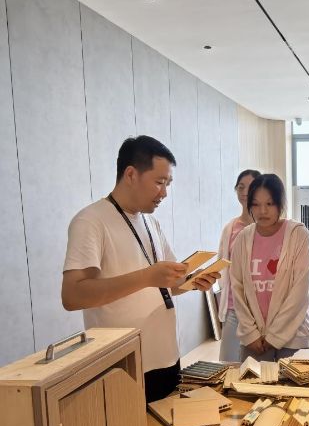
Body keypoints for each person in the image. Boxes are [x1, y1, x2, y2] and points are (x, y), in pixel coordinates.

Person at [62, 135, 219, 403]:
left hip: (166, 356)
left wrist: (192, 281)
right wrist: (146, 277)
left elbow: (167, 284)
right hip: (124, 367)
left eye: (168, 184)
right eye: (159, 182)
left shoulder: (150, 222)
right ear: (131, 174)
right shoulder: (91, 221)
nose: (164, 193)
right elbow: (73, 295)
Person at [230, 174, 309, 362]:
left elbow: (300, 292)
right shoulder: (243, 238)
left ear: (280, 203)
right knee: (252, 381)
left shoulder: (298, 235)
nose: (263, 211)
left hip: (293, 337)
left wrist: (275, 336)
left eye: (269, 204)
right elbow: (237, 287)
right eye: (256, 204)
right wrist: (250, 333)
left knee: (290, 382)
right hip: (254, 340)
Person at [218, 169, 261, 361]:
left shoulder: (270, 227)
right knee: (228, 364)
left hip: (262, 309)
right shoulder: (230, 228)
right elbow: (222, 264)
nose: (244, 192)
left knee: (259, 367)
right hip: (234, 307)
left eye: (250, 187)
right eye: (240, 187)